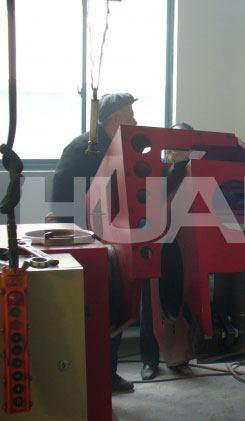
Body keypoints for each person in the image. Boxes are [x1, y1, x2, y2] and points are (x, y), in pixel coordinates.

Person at [51, 92, 138, 393]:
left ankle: (106, 375)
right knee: (91, 307)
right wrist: (82, 238)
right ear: (115, 119)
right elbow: (63, 201)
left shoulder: (117, 149)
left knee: (113, 304)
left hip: (111, 241)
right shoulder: (83, 149)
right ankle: (83, 379)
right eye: (130, 116)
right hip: (85, 244)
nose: (135, 122)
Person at [139, 121, 195, 381]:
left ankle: (180, 359)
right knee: (150, 304)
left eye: (180, 143)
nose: (174, 148)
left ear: (189, 146)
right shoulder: (156, 171)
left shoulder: (197, 173)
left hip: (183, 251)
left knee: (180, 303)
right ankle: (149, 361)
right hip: (155, 245)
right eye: (171, 142)